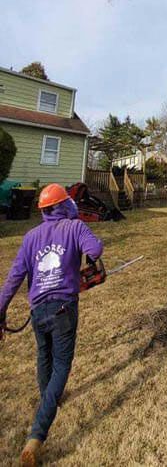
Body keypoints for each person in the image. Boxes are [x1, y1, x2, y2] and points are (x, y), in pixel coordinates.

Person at [0, 183, 103, 467]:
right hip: (63, 309)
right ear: (64, 205)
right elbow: (95, 248)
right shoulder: (75, 227)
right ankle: (37, 434)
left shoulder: (30, 236)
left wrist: (1, 310)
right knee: (61, 365)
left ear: (43, 210)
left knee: (43, 356)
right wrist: (87, 255)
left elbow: (13, 279)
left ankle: (50, 400)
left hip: (38, 311)